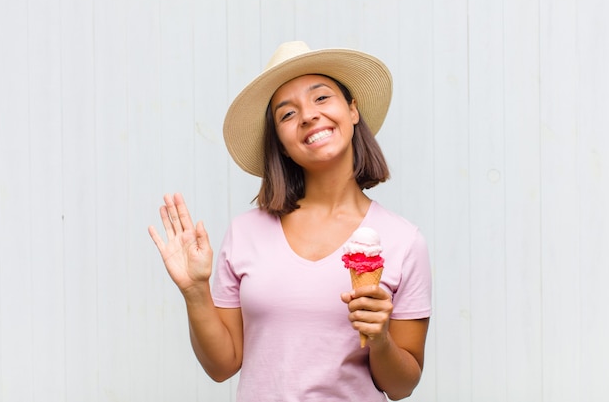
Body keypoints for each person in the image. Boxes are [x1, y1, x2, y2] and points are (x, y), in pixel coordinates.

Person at [148, 41, 432, 401]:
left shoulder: (404, 241)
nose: (309, 116)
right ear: (281, 144)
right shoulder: (245, 233)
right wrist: (195, 293)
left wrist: (380, 339)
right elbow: (222, 366)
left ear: (353, 110)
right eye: (287, 114)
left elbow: (402, 386)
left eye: (321, 98)